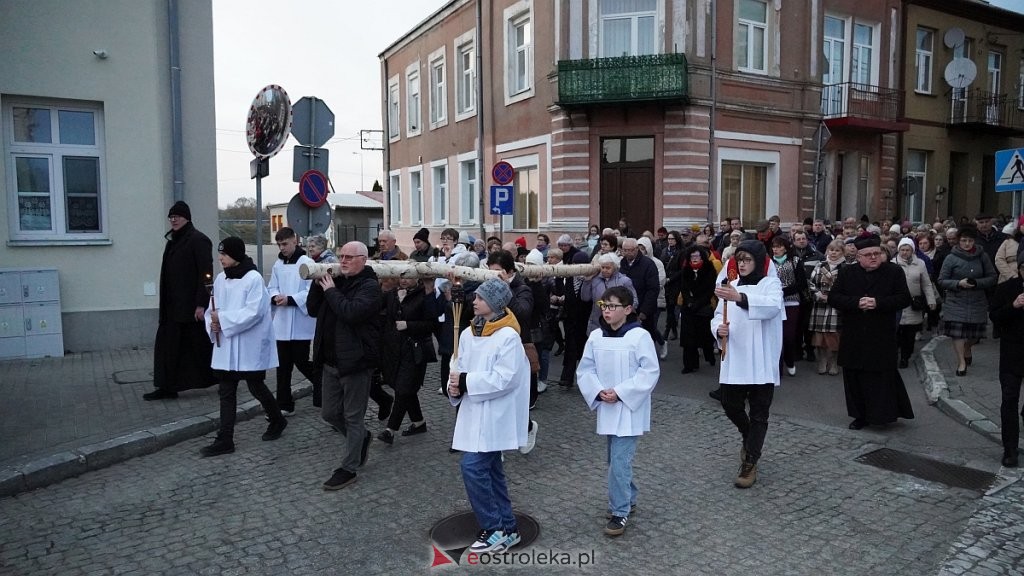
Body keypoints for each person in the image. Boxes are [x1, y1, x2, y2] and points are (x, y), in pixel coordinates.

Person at [447, 278, 530, 554]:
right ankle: (508, 528)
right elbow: (459, 365)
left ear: (494, 304)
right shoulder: (470, 333)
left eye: (480, 298)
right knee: (492, 474)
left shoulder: (508, 336)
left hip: (496, 415)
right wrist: (454, 384)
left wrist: (467, 381)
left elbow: (505, 378)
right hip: (474, 414)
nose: (474, 301)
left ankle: (494, 530)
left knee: (472, 468)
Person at [576, 286, 659, 537]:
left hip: (629, 407)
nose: (608, 311)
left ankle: (619, 511)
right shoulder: (596, 337)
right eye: (604, 305)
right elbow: (586, 369)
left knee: (619, 462)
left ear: (628, 309)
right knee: (614, 461)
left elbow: (650, 371)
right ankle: (629, 495)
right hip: (607, 404)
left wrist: (621, 392)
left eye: (613, 306)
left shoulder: (639, 337)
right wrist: (598, 391)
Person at [307, 241, 384, 490]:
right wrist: (317, 284)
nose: (343, 261)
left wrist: (330, 291)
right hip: (330, 361)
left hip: (356, 363)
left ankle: (348, 468)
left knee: (353, 417)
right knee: (329, 413)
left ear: (363, 259)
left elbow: (351, 312)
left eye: (349, 257)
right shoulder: (335, 281)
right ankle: (361, 438)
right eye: (341, 256)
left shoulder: (370, 286)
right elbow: (311, 310)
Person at [201, 237, 286, 457]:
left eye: (225, 255)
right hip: (227, 344)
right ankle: (225, 439)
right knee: (226, 390)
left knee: (255, 386)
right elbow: (214, 306)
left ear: (236, 255)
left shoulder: (253, 278)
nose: (220, 258)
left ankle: (277, 420)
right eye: (220, 254)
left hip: (249, 343)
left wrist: (223, 319)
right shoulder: (221, 279)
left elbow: (255, 312)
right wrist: (213, 321)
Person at [710, 240, 784, 489]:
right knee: (730, 403)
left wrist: (739, 297)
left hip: (762, 358)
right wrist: (717, 329)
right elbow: (719, 314)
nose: (741, 264)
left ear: (759, 262)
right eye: (739, 259)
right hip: (737, 354)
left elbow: (772, 307)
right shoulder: (730, 285)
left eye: (747, 259)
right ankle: (749, 434)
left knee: (760, 411)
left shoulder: (770, 284)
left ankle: (750, 461)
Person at [828, 235, 915, 430]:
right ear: (858, 256)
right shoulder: (847, 273)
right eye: (868, 255)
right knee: (855, 377)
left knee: (880, 377)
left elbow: (903, 299)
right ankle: (859, 415)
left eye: (877, 253)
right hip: (854, 333)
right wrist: (856, 302)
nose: (874, 257)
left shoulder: (894, 271)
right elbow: (834, 298)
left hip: (881, 333)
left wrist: (878, 303)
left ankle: (882, 415)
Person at [146, 201, 216, 400]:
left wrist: (201, 304)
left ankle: (225, 377)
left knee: (200, 348)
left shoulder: (198, 240)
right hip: (171, 308)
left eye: (177, 216)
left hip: (190, 308)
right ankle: (167, 386)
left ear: (187, 217)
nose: (173, 220)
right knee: (168, 348)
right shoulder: (173, 241)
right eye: (171, 217)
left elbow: (206, 273)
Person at [377, 276, 437, 444]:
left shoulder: (423, 295)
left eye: (409, 277)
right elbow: (374, 307)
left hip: (414, 350)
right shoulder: (391, 294)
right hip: (392, 350)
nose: (404, 281)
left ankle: (390, 430)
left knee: (403, 389)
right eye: (402, 277)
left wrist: (409, 325)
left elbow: (432, 323)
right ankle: (418, 422)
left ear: (417, 278)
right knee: (404, 388)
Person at [267, 227, 319, 413]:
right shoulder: (278, 264)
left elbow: (310, 291)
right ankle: (285, 404)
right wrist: (274, 297)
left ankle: (326, 387)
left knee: (302, 362)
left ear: (295, 241)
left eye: (285, 244)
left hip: (299, 323)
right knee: (283, 367)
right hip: (281, 323)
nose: (282, 248)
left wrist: (290, 299)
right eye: (279, 244)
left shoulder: (306, 263)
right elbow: (271, 286)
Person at [938, 224, 998, 376]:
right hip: (956, 300)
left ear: (974, 241)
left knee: (974, 335)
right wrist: (958, 283)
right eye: (964, 240)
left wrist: (978, 283)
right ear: (959, 241)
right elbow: (942, 280)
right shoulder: (951, 258)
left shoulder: (982, 256)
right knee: (958, 333)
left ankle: (967, 347)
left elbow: (992, 277)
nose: (967, 244)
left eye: (970, 241)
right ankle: (961, 362)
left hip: (977, 300)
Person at [988, 260, 1024, 468]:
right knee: (1010, 400)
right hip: (1012, 353)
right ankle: (1010, 448)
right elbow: (995, 316)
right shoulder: (1006, 289)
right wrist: (1014, 305)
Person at [619, 238, 666, 359]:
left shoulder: (648, 264)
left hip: (644, 307)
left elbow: (653, 289)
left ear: (636, 250)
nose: (628, 253)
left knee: (646, 335)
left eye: (630, 250)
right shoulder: (622, 264)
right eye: (625, 250)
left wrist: (644, 311)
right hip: (626, 307)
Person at [895, 238, 937, 368]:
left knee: (909, 333)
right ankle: (895, 354)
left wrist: (931, 300)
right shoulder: (893, 263)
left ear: (912, 250)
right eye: (902, 250)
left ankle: (905, 357)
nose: (904, 252)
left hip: (914, 303)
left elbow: (926, 284)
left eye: (907, 250)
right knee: (897, 332)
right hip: (897, 303)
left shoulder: (920, 263)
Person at [807, 240, 846, 375]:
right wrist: (818, 294)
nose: (833, 253)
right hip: (820, 305)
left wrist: (834, 297)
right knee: (820, 335)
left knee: (834, 336)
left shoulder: (846, 267)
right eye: (831, 250)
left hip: (836, 306)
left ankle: (834, 361)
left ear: (842, 252)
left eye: (837, 250)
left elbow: (849, 287)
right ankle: (822, 360)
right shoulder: (820, 265)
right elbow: (811, 284)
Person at [771, 236, 807, 376]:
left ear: (785, 247)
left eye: (779, 246)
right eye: (774, 246)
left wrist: (783, 291)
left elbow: (801, 283)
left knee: (788, 335)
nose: (776, 249)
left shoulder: (795, 261)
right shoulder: (769, 262)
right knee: (776, 334)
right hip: (774, 302)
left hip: (791, 301)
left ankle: (790, 360)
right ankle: (777, 366)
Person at [582, 253, 638, 334]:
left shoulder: (624, 281)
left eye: (608, 268)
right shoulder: (595, 279)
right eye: (602, 267)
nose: (604, 270)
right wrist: (587, 281)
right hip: (597, 323)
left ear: (615, 267)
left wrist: (619, 308)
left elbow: (634, 301)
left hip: (619, 324)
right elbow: (585, 298)